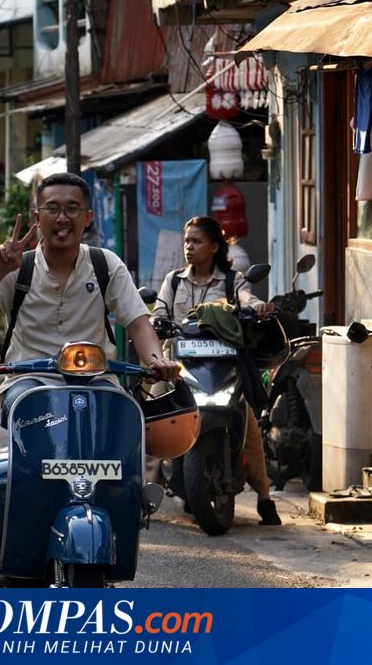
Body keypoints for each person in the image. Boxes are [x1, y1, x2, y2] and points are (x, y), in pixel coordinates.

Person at [0, 172, 179, 424]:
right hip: (29, 383)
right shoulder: (16, 269)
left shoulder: (106, 264)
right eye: (53, 209)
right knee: (29, 409)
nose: (62, 218)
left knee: (123, 417)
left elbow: (138, 322)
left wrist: (157, 361)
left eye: (72, 209)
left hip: (96, 379)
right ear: (37, 218)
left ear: (88, 218)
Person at [153, 216, 282, 525]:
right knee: (151, 418)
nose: (189, 246)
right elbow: (159, 310)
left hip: (223, 368)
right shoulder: (173, 280)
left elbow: (247, 298)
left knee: (249, 423)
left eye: (196, 241)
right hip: (180, 369)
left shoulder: (231, 280)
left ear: (214, 246)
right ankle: (140, 491)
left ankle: (265, 498)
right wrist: (156, 321)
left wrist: (259, 307)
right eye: (186, 241)